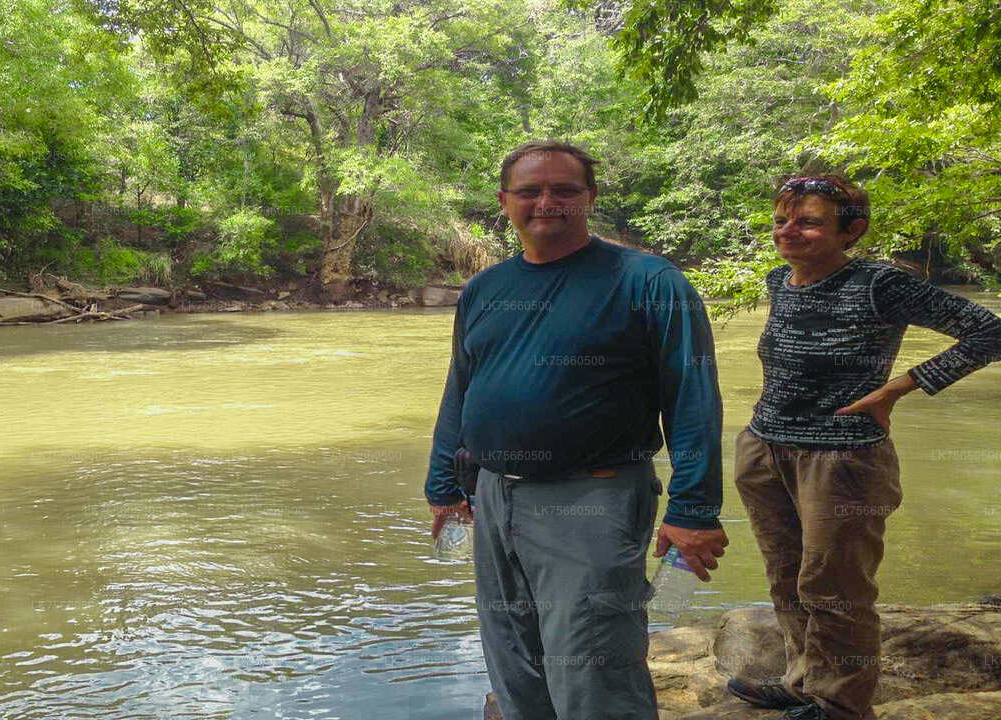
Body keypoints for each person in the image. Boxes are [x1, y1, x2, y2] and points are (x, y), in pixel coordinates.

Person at [424, 140, 730, 720]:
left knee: (594, 667)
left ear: (589, 198)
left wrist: (694, 509)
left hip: (595, 495)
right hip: (491, 493)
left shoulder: (648, 281)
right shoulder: (487, 289)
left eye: (565, 189)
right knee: (512, 659)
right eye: (530, 191)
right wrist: (444, 485)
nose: (548, 201)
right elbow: (461, 388)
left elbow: (692, 400)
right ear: (504, 202)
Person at [727, 175, 1001, 720]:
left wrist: (900, 387)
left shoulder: (881, 283)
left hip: (842, 457)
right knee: (787, 575)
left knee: (834, 585)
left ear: (852, 230)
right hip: (765, 448)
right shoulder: (780, 280)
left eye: (808, 221)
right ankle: (805, 682)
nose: (788, 232)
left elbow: (989, 332)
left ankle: (840, 704)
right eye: (782, 220)